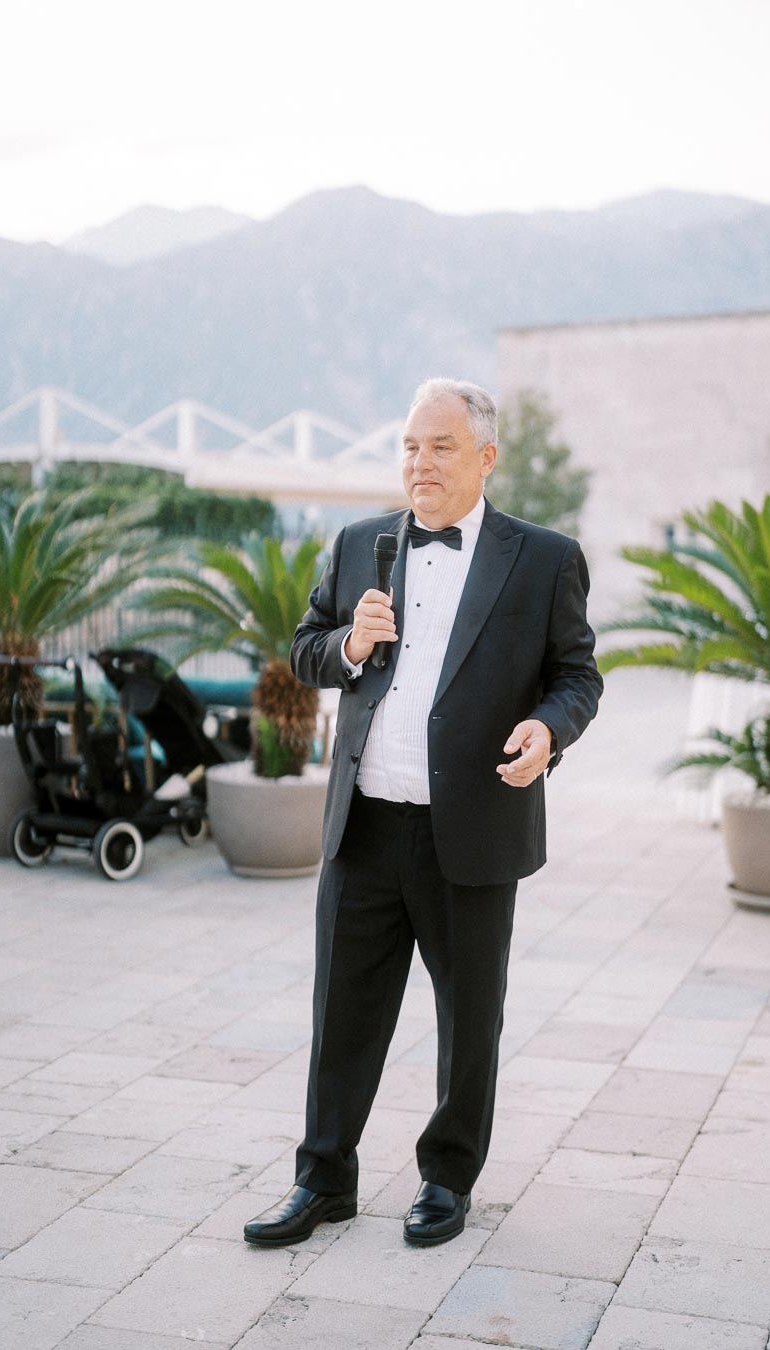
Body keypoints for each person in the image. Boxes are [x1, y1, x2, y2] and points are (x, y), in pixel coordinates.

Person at [244, 377, 603, 1249]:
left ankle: (447, 1178)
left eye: (440, 446)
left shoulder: (546, 558)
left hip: (472, 829)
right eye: (409, 446)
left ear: (485, 457)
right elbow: (305, 652)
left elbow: (578, 677)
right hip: (364, 826)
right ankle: (322, 1179)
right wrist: (351, 644)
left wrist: (546, 731)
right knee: (342, 1014)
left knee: (469, 1018)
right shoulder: (359, 541)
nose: (419, 462)